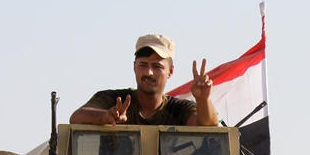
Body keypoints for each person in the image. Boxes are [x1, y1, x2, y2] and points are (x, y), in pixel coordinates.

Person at [70, 34, 218, 127]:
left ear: (170, 72)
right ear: (134, 67)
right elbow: (76, 117)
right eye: (143, 65)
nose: (148, 72)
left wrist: (203, 100)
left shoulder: (178, 109)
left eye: (157, 66)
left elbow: (207, 125)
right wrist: (106, 116)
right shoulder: (115, 100)